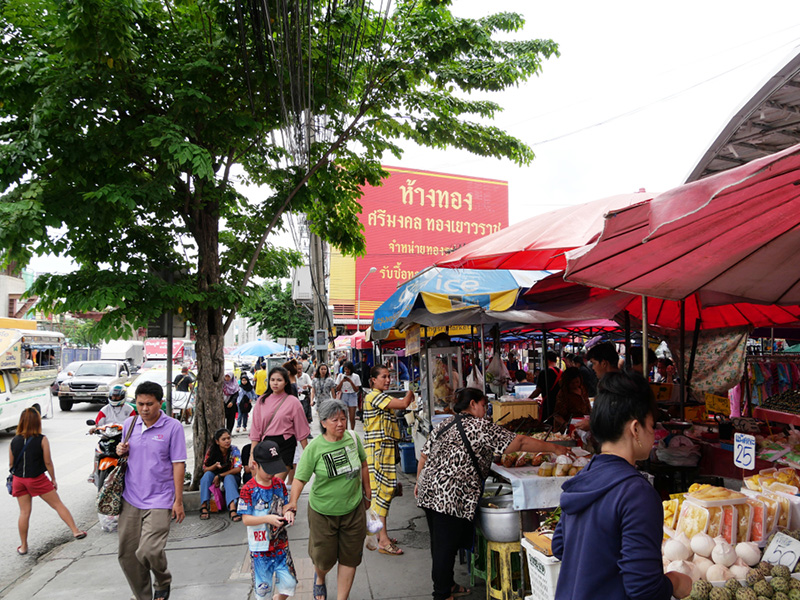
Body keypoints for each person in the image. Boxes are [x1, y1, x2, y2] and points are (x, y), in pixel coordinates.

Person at [416, 388, 569, 600]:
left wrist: (419, 481)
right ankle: (441, 594)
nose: (485, 409)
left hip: (429, 489)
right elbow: (520, 442)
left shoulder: (444, 424)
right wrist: (554, 448)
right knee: (445, 546)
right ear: (472, 404)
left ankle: (447, 584)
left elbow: (424, 455)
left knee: (441, 543)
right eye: (483, 404)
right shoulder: (481, 427)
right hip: (449, 494)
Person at [552, 371, 691, 600]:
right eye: (651, 425)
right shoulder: (637, 493)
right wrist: (675, 583)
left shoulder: (584, 476)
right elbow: (644, 588)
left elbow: (560, 547)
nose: (653, 434)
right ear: (635, 429)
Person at [285, 399, 370, 600]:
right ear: (323, 422)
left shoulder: (353, 438)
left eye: (343, 419)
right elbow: (300, 478)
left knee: (350, 557)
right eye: (334, 420)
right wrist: (293, 502)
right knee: (323, 559)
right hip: (322, 512)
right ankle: (320, 578)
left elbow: (364, 464)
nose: (340, 423)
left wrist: (368, 491)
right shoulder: (315, 447)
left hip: (353, 509)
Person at [116, 381, 186, 600]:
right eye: (140, 404)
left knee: (149, 550)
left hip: (160, 498)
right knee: (127, 555)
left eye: (149, 404)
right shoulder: (130, 424)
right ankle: (143, 596)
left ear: (160, 403)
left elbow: (178, 464)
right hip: (131, 497)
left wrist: (178, 500)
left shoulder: (173, 427)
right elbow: (127, 454)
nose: (144, 409)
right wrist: (121, 450)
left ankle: (163, 579)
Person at [10, 408, 87, 555]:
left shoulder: (14, 440)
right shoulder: (42, 439)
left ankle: (24, 546)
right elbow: (48, 462)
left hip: (19, 480)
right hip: (37, 478)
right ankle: (75, 531)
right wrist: (53, 479)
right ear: (37, 422)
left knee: (24, 512)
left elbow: (11, 464)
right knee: (57, 504)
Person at [363, 365, 415, 555]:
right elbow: (403, 404)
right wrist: (413, 390)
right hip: (378, 449)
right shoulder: (374, 396)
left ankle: (378, 534)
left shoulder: (377, 396)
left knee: (381, 492)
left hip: (382, 448)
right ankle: (383, 541)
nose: (387, 380)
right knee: (383, 493)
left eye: (389, 376)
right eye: (383, 377)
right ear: (373, 380)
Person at [238, 440, 297, 600]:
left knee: (290, 583)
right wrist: (267, 519)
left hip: (281, 545)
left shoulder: (279, 484)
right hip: (260, 548)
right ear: (255, 465)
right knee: (263, 590)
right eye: (268, 469)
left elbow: (285, 505)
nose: (272, 473)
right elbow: (246, 519)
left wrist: (289, 512)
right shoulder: (248, 489)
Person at [249, 366, 310, 481]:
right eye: (272, 380)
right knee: (265, 483)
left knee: (276, 482)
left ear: (286, 382)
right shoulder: (262, 401)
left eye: (279, 380)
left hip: (286, 444)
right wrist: (252, 454)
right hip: (267, 445)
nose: (275, 383)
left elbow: (301, 430)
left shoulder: (293, 402)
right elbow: (255, 429)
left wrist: (308, 456)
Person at [88, 383, 135, 483]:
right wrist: (94, 429)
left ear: (123, 396)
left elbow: (134, 423)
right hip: (107, 437)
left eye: (117, 396)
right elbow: (98, 424)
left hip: (123, 438)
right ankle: (94, 472)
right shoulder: (104, 410)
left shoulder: (129, 410)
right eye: (113, 396)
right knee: (97, 450)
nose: (115, 398)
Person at [199, 428, 242, 521]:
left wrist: (220, 475)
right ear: (217, 441)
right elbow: (205, 469)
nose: (227, 441)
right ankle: (204, 506)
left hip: (231, 477)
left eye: (228, 438)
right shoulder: (212, 451)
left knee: (229, 478)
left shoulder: (234, 450)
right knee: (206, 476)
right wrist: (215, 466)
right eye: (223, 439)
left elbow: (238, 468)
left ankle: (232, 509)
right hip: (214, 475)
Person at [528, 350, 562, 422]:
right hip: (560, 405)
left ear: (546, 360)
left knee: (546, 424)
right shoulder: (562, 372)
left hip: (548, 405)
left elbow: (539, 390)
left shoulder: (544, 372)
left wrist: (528, 399)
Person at [334, 361, 362, 429]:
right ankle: (345, 430)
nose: (347, 371)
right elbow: (337, 388)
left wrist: (350, 381)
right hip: (343, 395)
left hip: (352, 395)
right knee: (344, 416)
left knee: (352, 417)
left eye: (348, 369)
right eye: (345, 369)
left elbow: (356, 389)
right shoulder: (340, 376)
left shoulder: (356, 376)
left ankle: (352, 430)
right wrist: (342, 381)